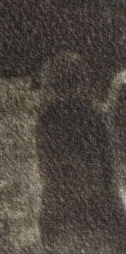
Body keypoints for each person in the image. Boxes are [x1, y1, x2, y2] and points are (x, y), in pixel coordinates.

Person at [37, 51, 126, 253]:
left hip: (63, 217)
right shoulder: (93, 117)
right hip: (95, 215)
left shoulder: (48, 120)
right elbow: (106, 172)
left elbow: (51, 176)